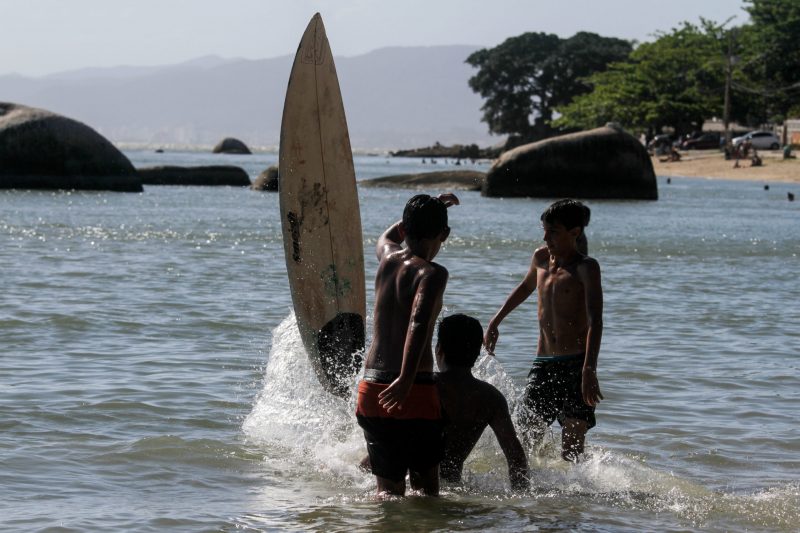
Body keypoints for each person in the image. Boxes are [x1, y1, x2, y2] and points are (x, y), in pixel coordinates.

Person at [355, 193, 459, 497]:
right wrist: (405, 379)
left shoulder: (387, 258)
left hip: (372, 388)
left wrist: (416, 214)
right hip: (413, 388)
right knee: (426, 494)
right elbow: (418, 322)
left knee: (387, 494)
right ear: (444, 234)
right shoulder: (432, 273)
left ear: (405, 228)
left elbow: (387, 236)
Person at [484, 199, 603, 462]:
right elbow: (525, 287)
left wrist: (589, 369)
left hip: (576, 365)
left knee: (572, 451)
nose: (545, 237)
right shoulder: (540, 258)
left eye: (553, 232)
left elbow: (596, 320)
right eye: (544, 230)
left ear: (575, 232)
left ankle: (576, 489)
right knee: (525, 438)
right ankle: (532, 487)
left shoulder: (586, 267)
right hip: (544, 364)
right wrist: (495, 321)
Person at [436, 314, 529, 490]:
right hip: (455, 487)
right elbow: (516, 456)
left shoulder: (425, 387)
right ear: (478, 352)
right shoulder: (490, 397)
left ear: (439, 349)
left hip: (416, 486)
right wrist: (522, 497)